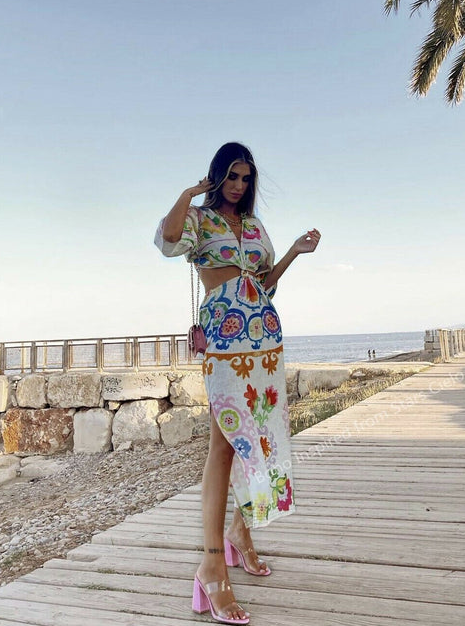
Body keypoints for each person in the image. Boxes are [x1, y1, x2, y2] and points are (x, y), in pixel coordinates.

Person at [155, 142, 320, 624]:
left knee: (264, 436)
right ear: (216, 176)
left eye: (245, 178)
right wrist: (189, 193)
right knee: (225, 443)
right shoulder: (199, 220)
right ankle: (212, 564)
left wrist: (293, 252)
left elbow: (263, 284)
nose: (239, 185)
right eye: (231, 176)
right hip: (225, 339)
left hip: (264, 337)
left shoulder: (254, 227)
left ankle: (240, 532)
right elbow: (168, 239)